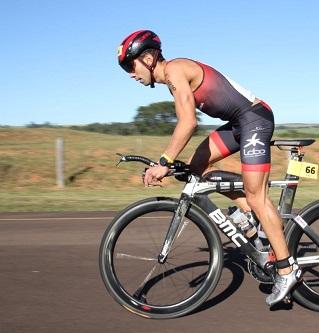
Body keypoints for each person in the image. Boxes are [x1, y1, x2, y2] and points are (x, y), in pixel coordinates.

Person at [117, 30, 301, 306]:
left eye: (130, 65)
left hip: (254, 119)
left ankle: (286, 270)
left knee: (256, 196)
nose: (130, 73)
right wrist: (173, 163)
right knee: (194, 170)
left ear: (149, 57)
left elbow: (188, 123)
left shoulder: (175, 70)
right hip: (239, 124)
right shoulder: (172, 79)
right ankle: (250, 217)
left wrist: (164, 162)